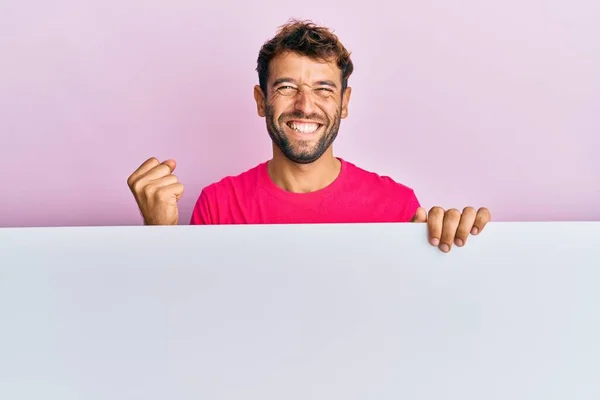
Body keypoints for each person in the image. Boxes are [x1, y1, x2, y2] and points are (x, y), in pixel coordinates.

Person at [126, 19, 491, 253]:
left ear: (344, 103)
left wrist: (455, 249)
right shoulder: (219, 205)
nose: (305, 106)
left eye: (324, 89)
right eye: (286, 87)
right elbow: (191, 315)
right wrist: (160, 238)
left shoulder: (395, 205)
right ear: (260, 100)